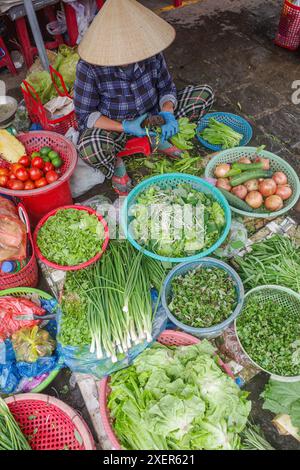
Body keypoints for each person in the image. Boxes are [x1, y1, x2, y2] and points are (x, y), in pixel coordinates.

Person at [74, 0, 214, 195]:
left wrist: (167, 112)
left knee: (204, 95)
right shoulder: (88, 67)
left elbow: (166, 87)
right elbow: (85, 116)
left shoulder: (150, 52)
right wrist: (124, 126)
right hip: (115, 127)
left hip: (153, 116)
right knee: (90, 147)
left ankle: (159, 139)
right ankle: (115, 162)